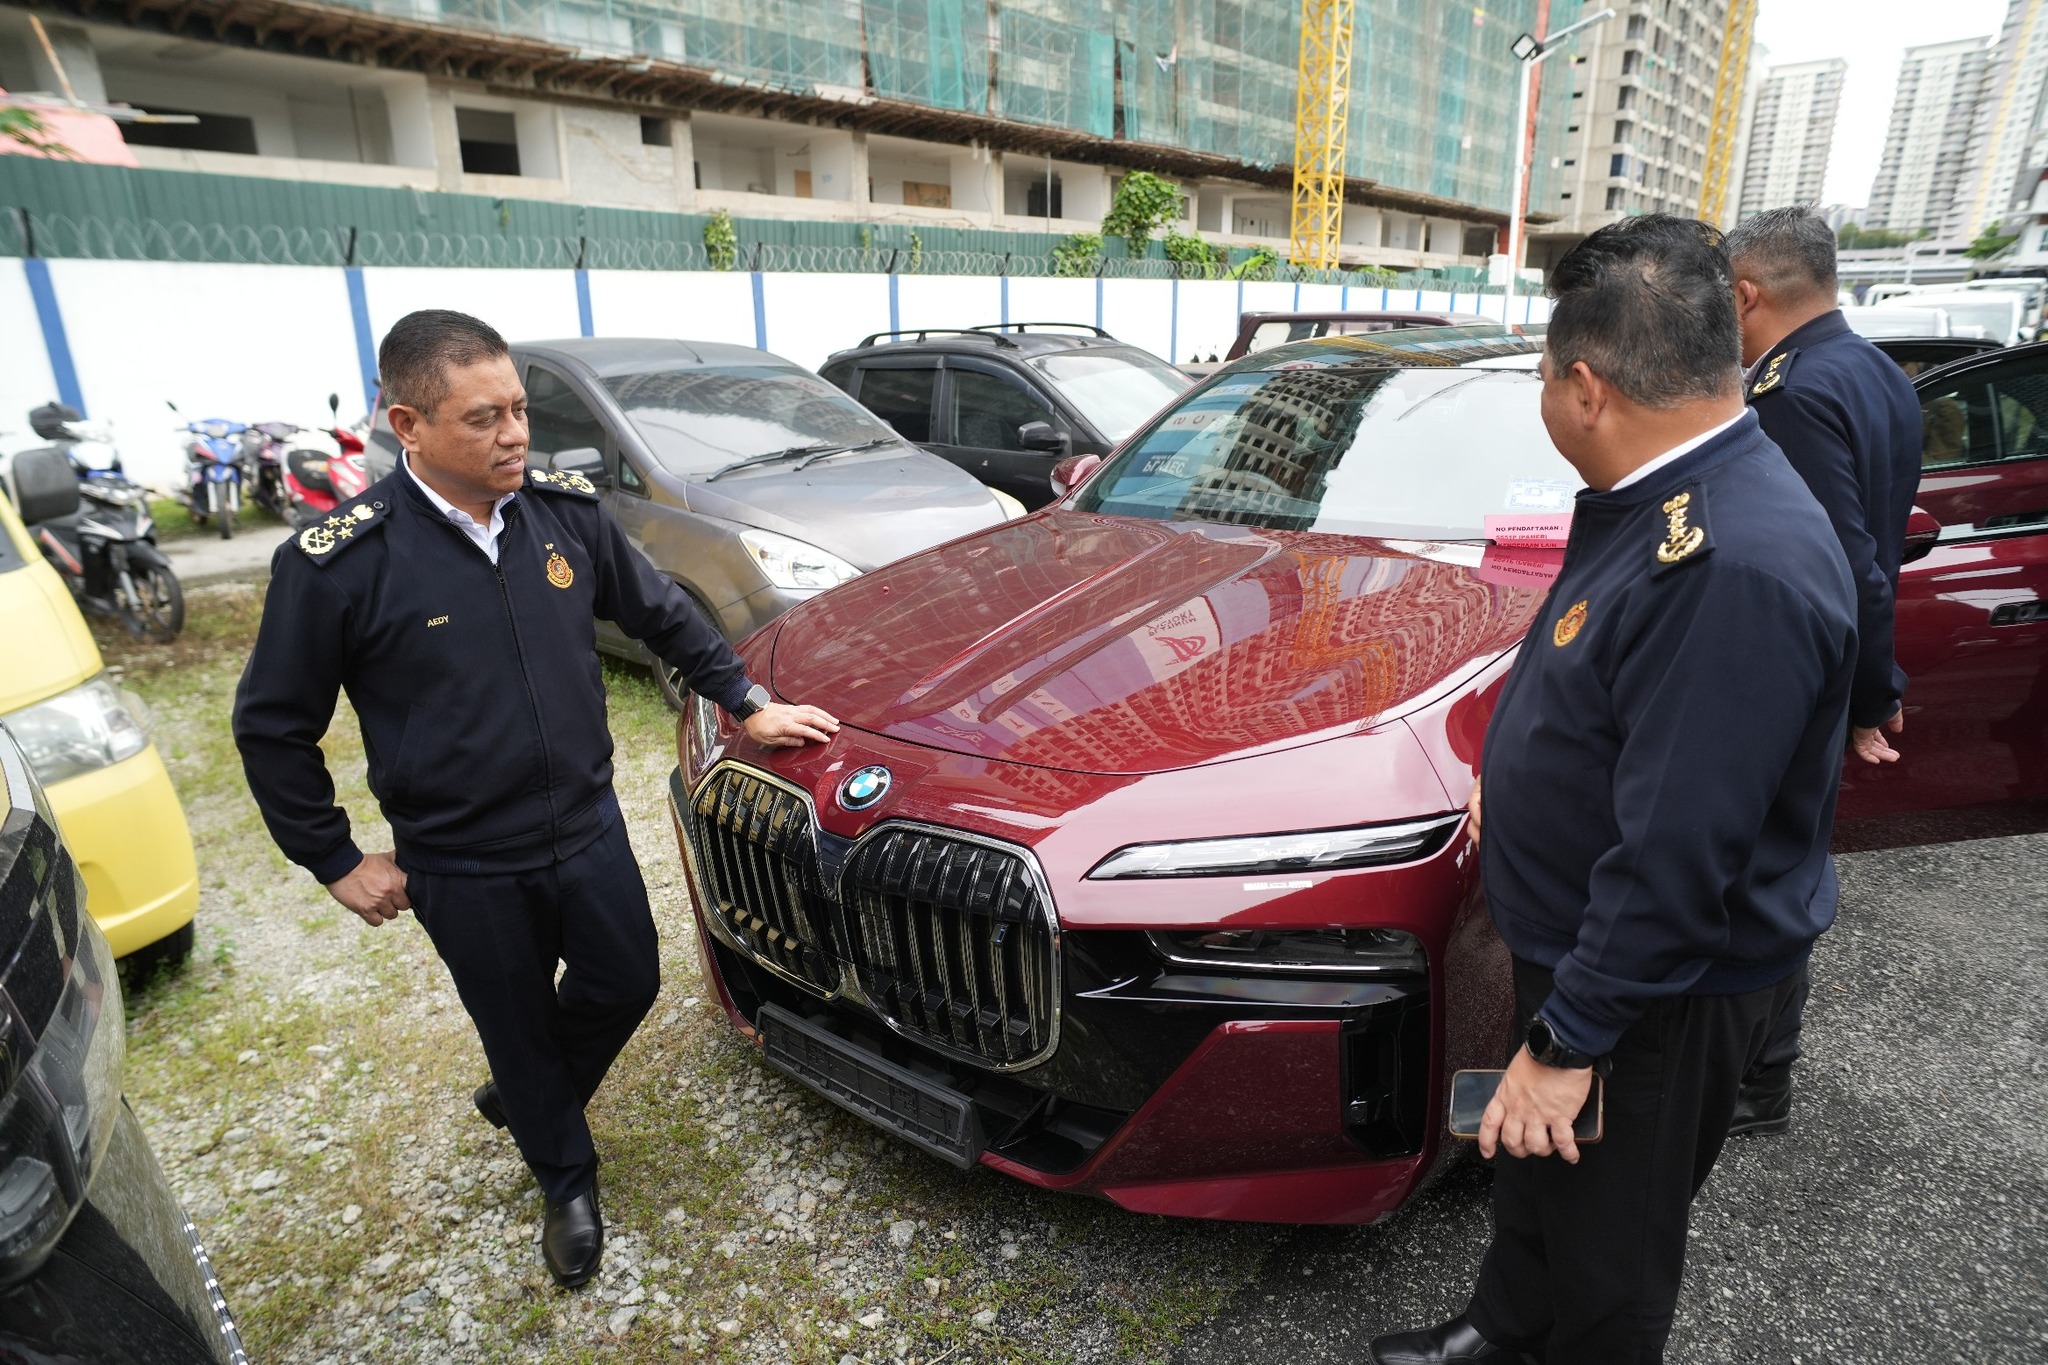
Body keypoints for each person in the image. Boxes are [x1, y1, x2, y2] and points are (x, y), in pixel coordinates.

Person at [231, 310, 840, 1287]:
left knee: (626, 981)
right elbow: (272, 726)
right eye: (483, 418)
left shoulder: (567, 515)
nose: (515, 433)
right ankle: (565, 1177)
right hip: (462, 860)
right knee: (513, 1025)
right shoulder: (340, 562)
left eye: (518, 409)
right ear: (408, 425)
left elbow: (661, 613)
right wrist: (334, 857)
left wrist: (745, 699)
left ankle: (525, 1095)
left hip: (585, 827)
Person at [1368, 216, 1856, 1365]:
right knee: (1536, 1171)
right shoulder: (1663, 496)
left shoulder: (1727, 564)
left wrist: (1570, 1038)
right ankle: (1501, 1330)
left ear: (1584, 388)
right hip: (1585, 944)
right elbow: (1607, 698)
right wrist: (1514, 779)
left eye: (1543, 375)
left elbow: (1677, 857)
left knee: (1609, 1250)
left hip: (1650, 991)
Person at [1723, 205, 1924, 1137]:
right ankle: (1764, 1071)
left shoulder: (1791, 392)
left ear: (1746, 293)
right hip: (1832, 669)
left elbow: (1846, 563)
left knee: (1755, 874)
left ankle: (1755, 1076)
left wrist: (1872, 695)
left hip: (1793, 673)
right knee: (1788, 862)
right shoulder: (1878, 371)